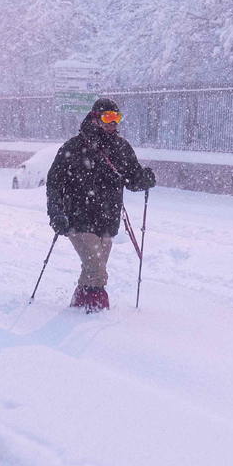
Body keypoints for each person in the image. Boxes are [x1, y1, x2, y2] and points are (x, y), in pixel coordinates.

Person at [46, 97, 157, 313]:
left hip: (107, 220)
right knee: (98, 273)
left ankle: (77, 308)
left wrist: (144, 179)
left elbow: (132, 179)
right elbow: (54, 184)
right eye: (107, 117)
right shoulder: (74, 147)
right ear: (96, 118)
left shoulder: (122, 147)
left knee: (92, 271)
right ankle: (98, 315)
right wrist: (56, 213)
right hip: (77, 219)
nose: (112, 122)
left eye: (116, 118)